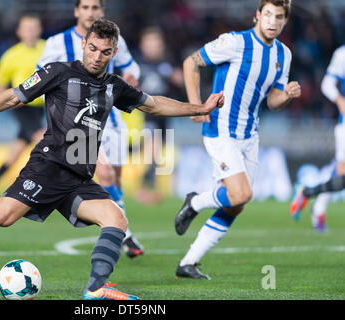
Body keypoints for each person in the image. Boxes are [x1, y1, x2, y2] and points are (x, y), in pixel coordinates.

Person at [0, 19, 224, 300]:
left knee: (116, 220)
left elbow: (154, 104)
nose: (98, 57)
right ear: (84, 43)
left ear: (113, 53)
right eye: (93, 48)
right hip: (47, 168)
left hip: (79, 179)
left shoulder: (114, 86)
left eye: (105, 52)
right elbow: (12, 96)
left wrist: (200, 108)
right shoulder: (58, 72)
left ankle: (97, 289)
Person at [174, 0, 301, 280]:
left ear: (284, 21)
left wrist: (287, 94)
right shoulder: (234, 42)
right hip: (220, 129)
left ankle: (188, 263)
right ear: (258, 15)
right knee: (242, 193)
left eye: (279, 17)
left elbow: (273, 100)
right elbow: (191, 62)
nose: (272, 21)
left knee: (237, 203)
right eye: (267, 14)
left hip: (249, 134)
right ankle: (195, 202)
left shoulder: (284, 54)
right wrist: (196, 106)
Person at [37, 0, 144, 258]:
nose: (90, 12)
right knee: (104, 173)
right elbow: (41, 78)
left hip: (111, 120)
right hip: (77, 124)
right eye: (85, 7)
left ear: (102, 12)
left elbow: (131, 68)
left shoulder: (117, 41)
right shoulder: (56, 43)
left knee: (114, 179)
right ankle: (123, 232)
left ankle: (118, 224)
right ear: (76, 11)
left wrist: (131, 78)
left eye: (95, 7)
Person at [0, 13, 46, 191]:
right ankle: (41, 186)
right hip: (23, 107)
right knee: (46, 141)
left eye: (34, 28)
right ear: (19, 32)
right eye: (27, 28)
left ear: (40, 30)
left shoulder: (48, 49)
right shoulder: (12, 55)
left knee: (14, 154)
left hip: (44, 107)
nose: (31, 32)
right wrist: (12, 98)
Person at [290, 44, 345, 231]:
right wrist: (340, 101)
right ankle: (312, 199)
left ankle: (310, 195)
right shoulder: (342, 54)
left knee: (341, 177)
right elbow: (327, 84)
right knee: (342, 175)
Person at [135, 26, 184, 205]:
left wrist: (179, 78)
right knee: (152, 146)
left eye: (156, 43)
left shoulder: (167, 65)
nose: (153, 47)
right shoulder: (137, 65)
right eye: (150, 43)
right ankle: (145, 186)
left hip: (163, 116)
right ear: (143, 45)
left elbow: (179, 82)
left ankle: (149, 188)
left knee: (156, 152)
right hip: (142, 116)